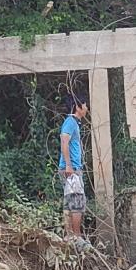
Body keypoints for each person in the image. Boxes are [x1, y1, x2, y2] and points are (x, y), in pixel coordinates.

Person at [58, 93, 88, 237]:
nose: (87, 108)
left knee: (71, 200)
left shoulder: (74, 123)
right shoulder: (70, 122)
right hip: (71, 169)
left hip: (73, 168)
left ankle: (70, 235)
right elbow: (64, 141)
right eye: (85, 105)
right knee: (76, 202)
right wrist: (69, 165)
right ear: (78, 107)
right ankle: (75, 236)